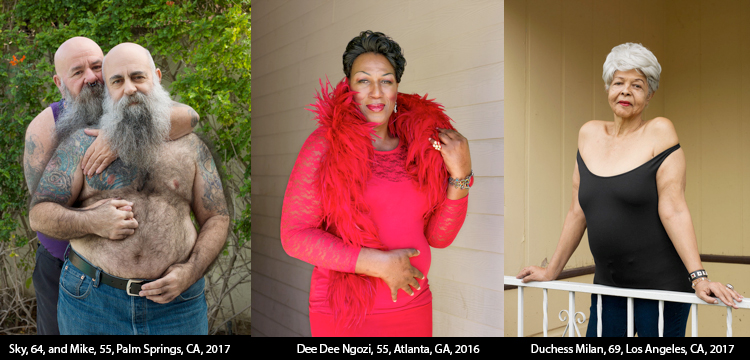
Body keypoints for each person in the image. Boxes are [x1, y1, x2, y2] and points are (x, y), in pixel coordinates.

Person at [516, 42, 743, 337]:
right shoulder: (588, 134)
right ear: (608, 87)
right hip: (609, 287)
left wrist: (699, 278)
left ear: (649, 97)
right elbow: (577, 211)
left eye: (637, 85)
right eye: (619, 82)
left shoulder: (659, 131)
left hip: (661, 289)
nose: (626, 91)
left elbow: (674, 209)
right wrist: (552, 270)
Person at [280, 30, 473, 336]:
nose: (375, 92)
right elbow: (294, 236)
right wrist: (377, 264)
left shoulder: (420, 148)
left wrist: (461, 175)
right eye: (363, 80)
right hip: (345, 314)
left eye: (386, 80)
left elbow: (438, 237)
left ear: (397, 88)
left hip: (413, 306)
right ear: (348, 87)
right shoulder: (324, 145)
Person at [28, 42, 229, 335]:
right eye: (118, 81)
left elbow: (217, 217)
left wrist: (191, 271)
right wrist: (92, 221)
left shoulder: (190, 145)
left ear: (156, 77)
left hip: (178, 306)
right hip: (92, 301)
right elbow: (40, 214)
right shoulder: (80, 144)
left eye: (138, 77)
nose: (130, 89)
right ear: (107, 90)